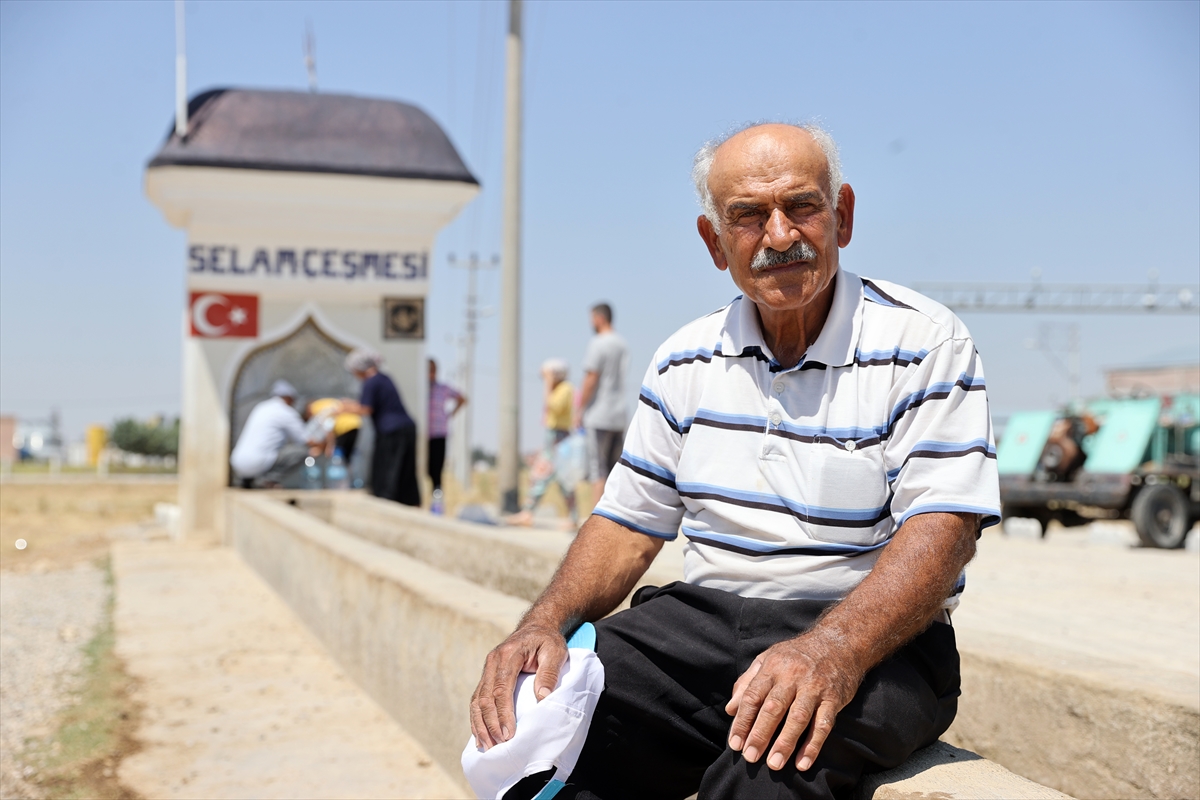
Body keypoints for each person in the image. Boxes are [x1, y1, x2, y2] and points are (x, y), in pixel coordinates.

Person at [470, 123, 1001, 800]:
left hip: (872, 641)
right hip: (702, 625)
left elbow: (944, 529)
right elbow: (627, 525)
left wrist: (830, 650)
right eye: (748, 217)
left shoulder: (925, 343)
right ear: (715, 242)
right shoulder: (684, 358)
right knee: (529, 737)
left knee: (765, 776)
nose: (780, 236)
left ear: (843, 216)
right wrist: (542, 623)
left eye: (802, 207)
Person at [339, 349, 420, 506]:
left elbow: (366, 409)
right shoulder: (383, 378)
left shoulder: (371, 381)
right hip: (406, 428)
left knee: (388, 471)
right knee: (405, 472)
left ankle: (387, 504)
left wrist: (343, 408)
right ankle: (409, 503)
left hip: (392, 432)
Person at [507, 358, 579, 528]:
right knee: (556, 478)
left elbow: (553, 406)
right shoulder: (562, 389)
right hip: (553, 436)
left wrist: (547, 385)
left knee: (547, 477)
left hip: (559, 437)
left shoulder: (565, 388)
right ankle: (571, 516)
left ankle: (529, 513)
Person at [575, 302, 630, 502]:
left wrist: (580, 408)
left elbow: (591, 378)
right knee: (616, 471)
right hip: (619, 415)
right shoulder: (622, 344)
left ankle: (594, 523)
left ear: (599, 318)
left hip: (599, 415)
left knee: (597, 469)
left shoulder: (598, 343)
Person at [230, 380, 319, 487]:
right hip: (257, 463)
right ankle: (268, 481)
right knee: (303, 452)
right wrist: (323, 446)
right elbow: (306, 440)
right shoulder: (286, 411)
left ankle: (248, 481)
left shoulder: (261, 407)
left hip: (237, 463)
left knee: (269, 451)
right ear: (288, 397)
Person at [427, 359, 467, 508]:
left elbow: (462, 398)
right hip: (423, 436)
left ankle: (437, 503)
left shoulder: (442, 388)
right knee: (425, 469)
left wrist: (450, 415)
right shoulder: (420, 388)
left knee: (436, 472)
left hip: (438, 433)